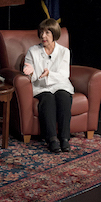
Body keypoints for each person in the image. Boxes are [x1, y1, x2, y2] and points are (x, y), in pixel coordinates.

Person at [22, 18, 74, 153]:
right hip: (41, 86)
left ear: (54, 34)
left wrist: (49, 73)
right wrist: (31, 72)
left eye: (47, 33)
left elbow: (64, 74)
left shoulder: (64, 51)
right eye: (42, 32)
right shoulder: (32, 51)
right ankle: (52, 139)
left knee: (63, 97)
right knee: (48, 98)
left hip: (60, 84)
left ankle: (64, 139)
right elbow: (30, 74)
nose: (43, 36)